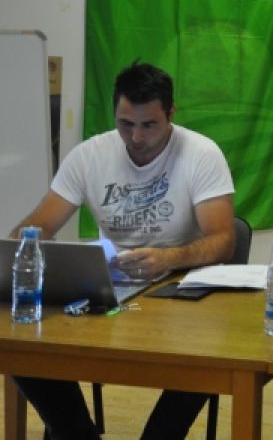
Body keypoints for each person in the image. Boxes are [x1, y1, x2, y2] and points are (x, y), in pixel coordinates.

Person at [10, 61, 236, 440]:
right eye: (126, 124)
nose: (136, 136)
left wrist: (169, 258)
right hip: (112, 286)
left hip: (181, 288)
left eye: (149, 125)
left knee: (207, 355)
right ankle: (75, 433)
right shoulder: (89, 155)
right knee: (22, 347)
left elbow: (223, 240)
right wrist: (19, 245)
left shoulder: (201, 153)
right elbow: (39, 225)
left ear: (171, 114)